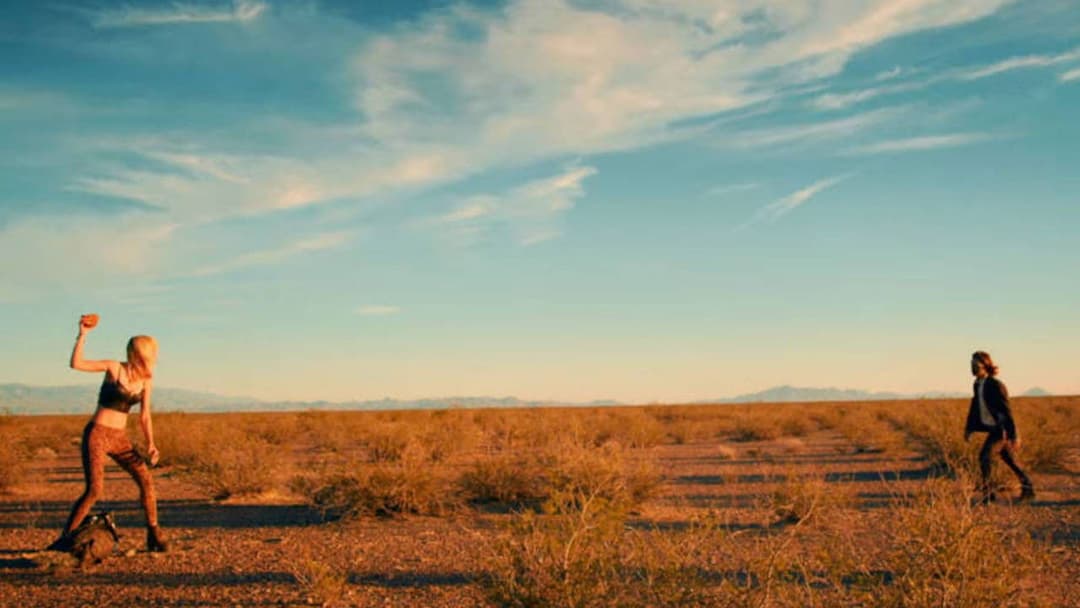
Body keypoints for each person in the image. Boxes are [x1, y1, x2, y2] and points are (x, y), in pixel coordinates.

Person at [47, 315, 167, 552]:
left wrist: (151, 444)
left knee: (146, 480)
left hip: (119, 438)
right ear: (141, 353)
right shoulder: (114, 368)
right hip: (98, 434)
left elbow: (145, 415)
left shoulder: (146, 381)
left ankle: (154, 534)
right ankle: (65, 539)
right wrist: (83, 335)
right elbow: (77, 364)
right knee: (94, 490)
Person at [964, 350, 1034, 504]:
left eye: (975, 364)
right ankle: (1028, 487)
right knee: (1009, 460)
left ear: (985, 365)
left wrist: (1014, 435)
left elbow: (1006, 410)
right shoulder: (977, 384)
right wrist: (969, 428)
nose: (972, 367)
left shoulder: (995, 385)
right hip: (993, 429)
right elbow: (975, 406)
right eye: (971, 364)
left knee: (984, 457)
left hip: (1001, 430)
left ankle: (989, 495)